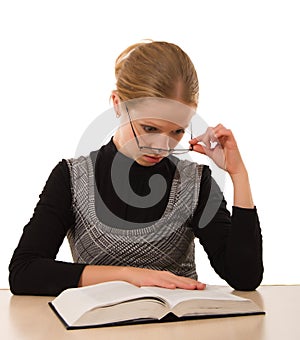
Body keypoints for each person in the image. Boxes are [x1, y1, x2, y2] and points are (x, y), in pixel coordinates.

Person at [9, 40, 263, 296]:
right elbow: (24, 272)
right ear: (118, 104)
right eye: (149, 128)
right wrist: (129, 276)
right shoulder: (72, 178)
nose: (161, 147)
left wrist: (238, 175)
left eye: (177, 131)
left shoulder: (195, 182)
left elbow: (245, 277)